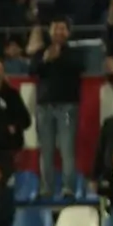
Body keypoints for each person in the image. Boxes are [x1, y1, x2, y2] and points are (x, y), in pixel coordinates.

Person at [30, 20, 83, 202]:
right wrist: (46, 59)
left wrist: (60, 57)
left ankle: (68, 188)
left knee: (67, 149)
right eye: (55, 29)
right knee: (46, 150)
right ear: (50, 32)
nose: (59, 32)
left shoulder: (74, 53)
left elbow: (80, 67)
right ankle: (46, 189)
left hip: (67, 106)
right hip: (44, 107)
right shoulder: (41, 52)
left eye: (62, 29)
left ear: (68, 32)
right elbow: (32, 70)